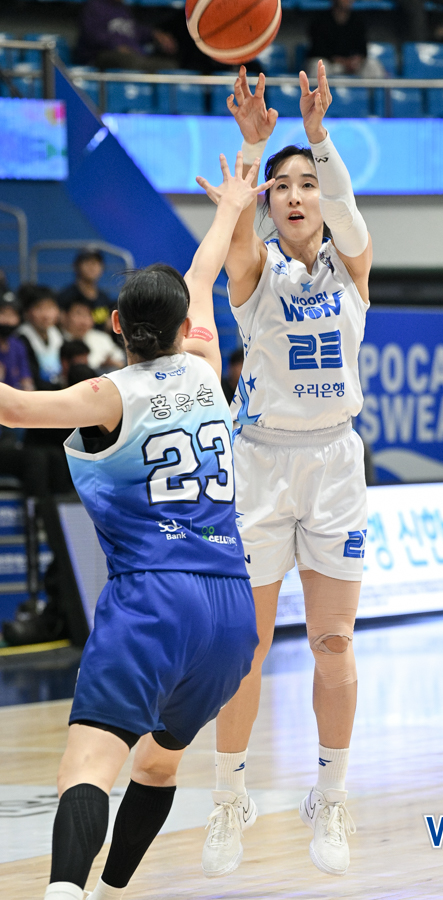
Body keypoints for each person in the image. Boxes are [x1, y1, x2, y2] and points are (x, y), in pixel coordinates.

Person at [0, 153, 271, 900]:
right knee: (157, 763)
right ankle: (113, 890)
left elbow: (12, 407)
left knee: (87, 767)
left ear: (116, 325)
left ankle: (65, 892)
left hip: (153, 596)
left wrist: (230, 208)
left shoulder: (105, 394)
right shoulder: (206, 363)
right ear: (186, 326)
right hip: (231, 607)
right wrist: (233, 202)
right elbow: (203, 271)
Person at [200, 62, 371, 879]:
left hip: (335, 464)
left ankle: (330, 797)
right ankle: (229, 796)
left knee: (335, 642)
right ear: (268, 202)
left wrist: (317, 135)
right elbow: (234, 235)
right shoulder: (256, 271)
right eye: (283, 187)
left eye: (309, 184)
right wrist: (251, 148)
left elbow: (349, 213)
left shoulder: (354, 266)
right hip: (262, 464)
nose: (298, 195)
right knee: (247, 647)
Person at [74, 0, 178, 71]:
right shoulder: (94, 6)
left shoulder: (123, 9)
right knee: (130, 61)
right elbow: (92, 35)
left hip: (132, 55)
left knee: (169, 66)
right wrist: (116, 46)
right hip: (101, 56)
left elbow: (134, 31)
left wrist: (154, 34)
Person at [306, 0, 385, 78]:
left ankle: (379, 87)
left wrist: (356, 60)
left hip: (353, 65)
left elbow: (363, 50)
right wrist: (342, 61)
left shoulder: (357, 21)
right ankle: (318, 87)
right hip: (331, 64)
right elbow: (318, 50)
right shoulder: (320, 21)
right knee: (318, 65)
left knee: (372, 64)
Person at [61, 296, 125, 372]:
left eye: (87, 315)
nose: (83, 321)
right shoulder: (57, 338)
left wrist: (110, 364)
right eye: (78, 314)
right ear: (65, 315)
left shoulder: (102, 338)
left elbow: (121, 362)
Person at [17, 285, 63, 389]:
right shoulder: (21, 338)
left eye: (50, 308)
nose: (46, 315)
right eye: (39, 308)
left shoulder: (56, 334)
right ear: (27, 312)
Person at [57, 249, 113, 332]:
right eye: (87, 262)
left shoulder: (104, 298)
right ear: (77, 266)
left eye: (96, 263)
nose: (92, 267)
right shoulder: (66, 296)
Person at [0, 292, 34, 391]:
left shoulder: (18, 345)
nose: (7, 320)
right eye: (3, 313)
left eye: (12, 314)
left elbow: (26, 380)